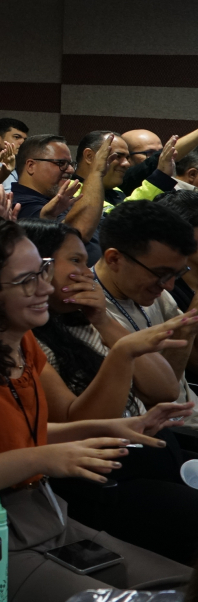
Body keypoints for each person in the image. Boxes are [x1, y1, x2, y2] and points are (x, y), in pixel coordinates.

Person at [0, 216, 191, 602]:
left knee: (185, 593)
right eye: (26, 281)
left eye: (43, 272)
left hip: (45, 515)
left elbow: (26, 430)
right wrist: (40, 458)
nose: (46, 288)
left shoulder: (19, 342)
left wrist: (120, 426)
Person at [21, 219, 198, 562]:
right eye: (74, 261)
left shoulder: (87, 317)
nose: (87, 271)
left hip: (151, 455)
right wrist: (123, 352)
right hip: (103, 479)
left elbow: (164, 390)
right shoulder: (26, 337)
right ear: (36, 268)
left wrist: (104, 322)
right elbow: (79, 427)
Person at [90, 201, 198, 420]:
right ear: (114, 259)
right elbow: (155, 400)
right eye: (161, 274)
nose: (168, 286)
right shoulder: (90, 313)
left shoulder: (156, 293)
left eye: (177, 274)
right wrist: (186, 330)